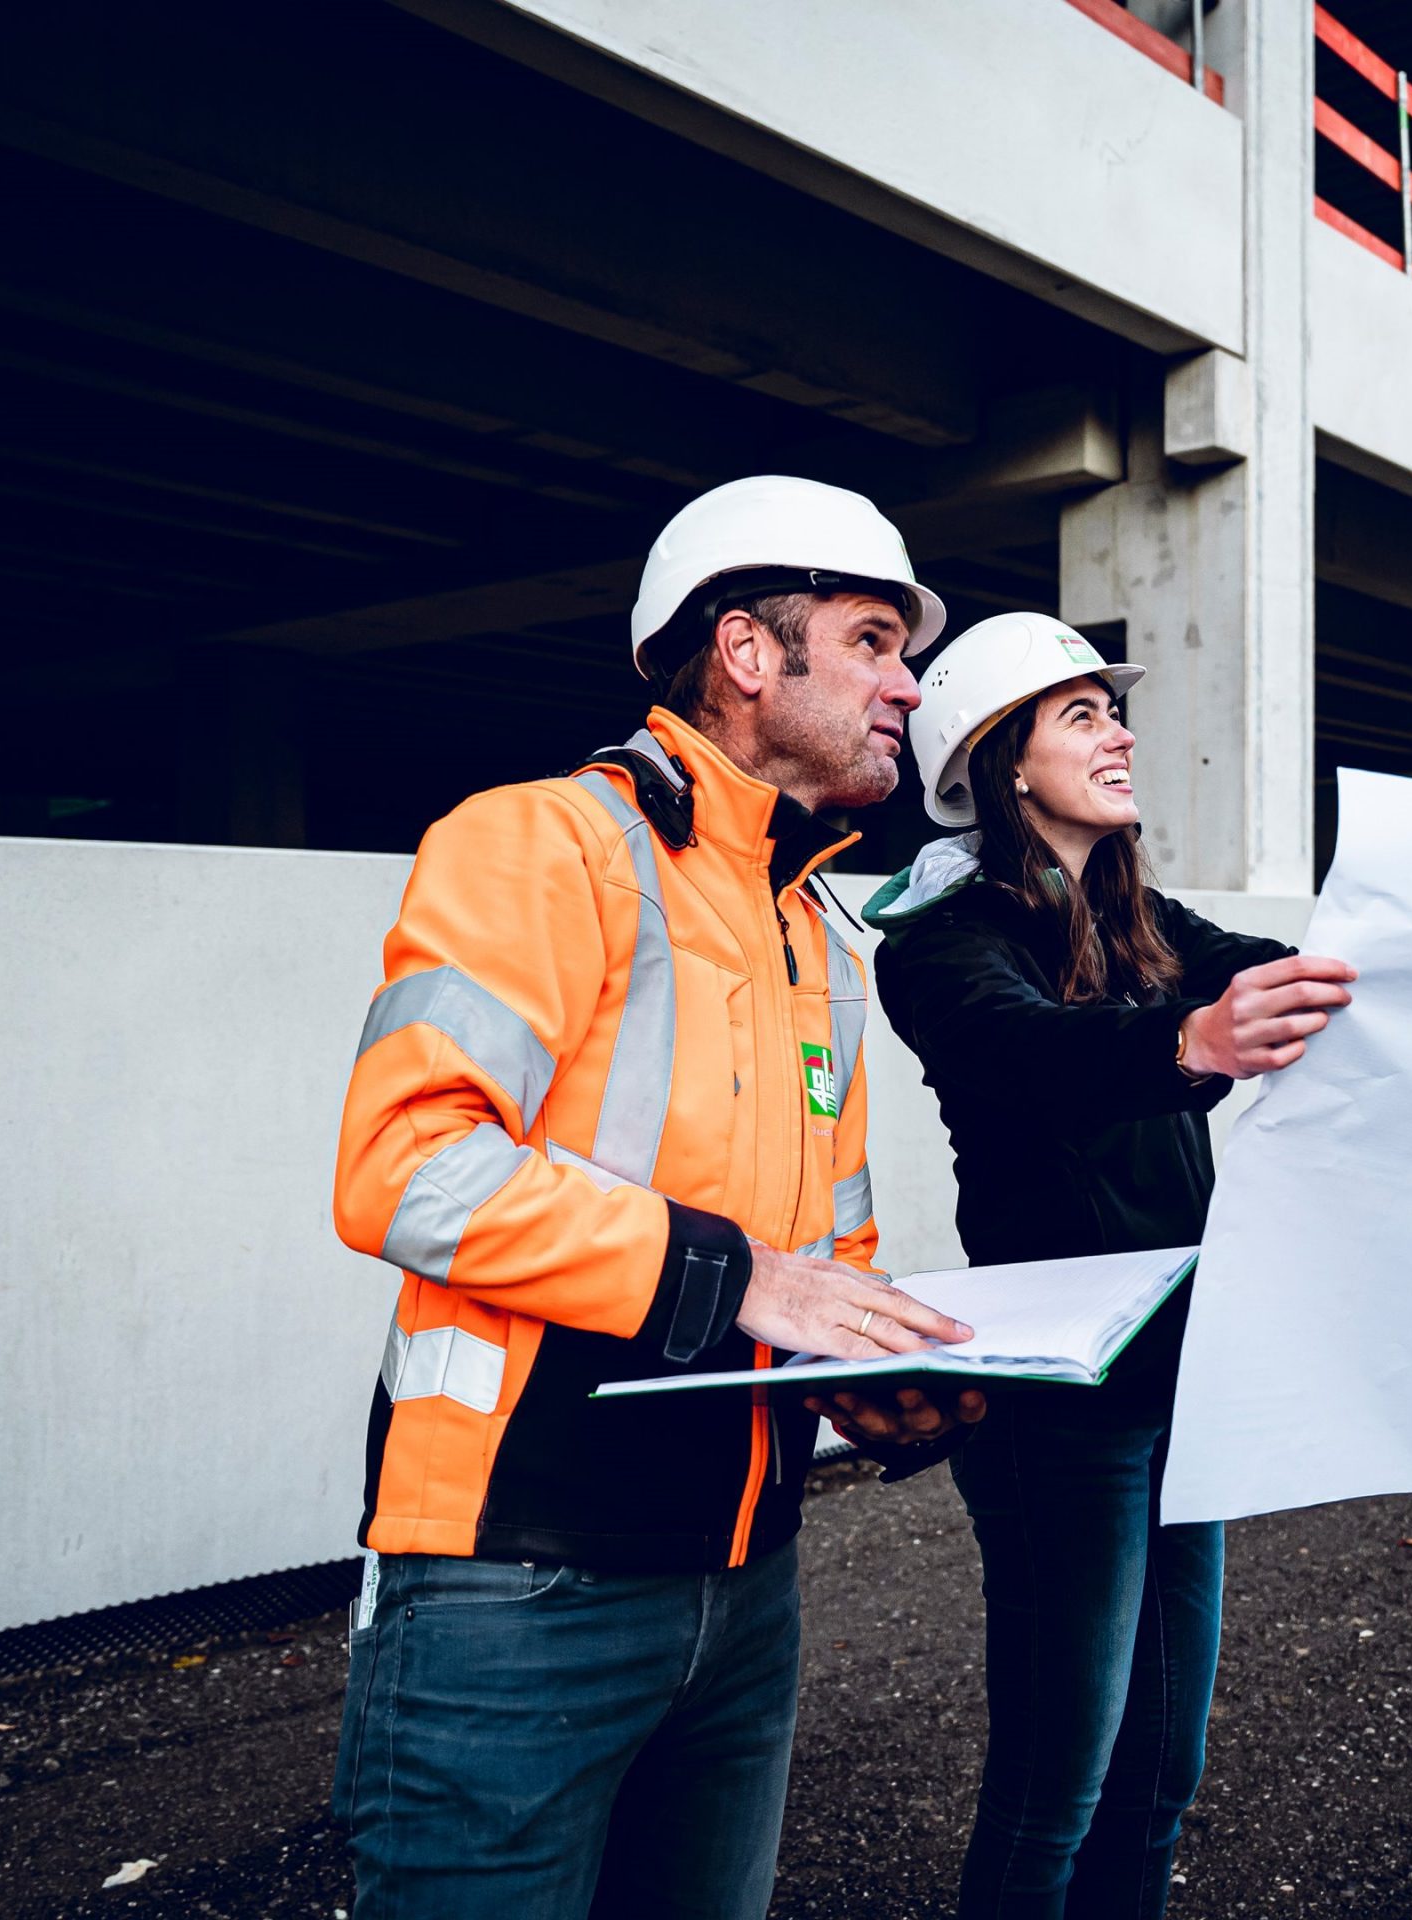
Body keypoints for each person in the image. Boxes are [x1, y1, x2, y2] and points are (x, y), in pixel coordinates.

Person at [328, 474, 986, 1919]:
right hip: (516, 1580)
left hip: (746, 1584)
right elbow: (409, 1164)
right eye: (875, 641)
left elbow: (828, 1251)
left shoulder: (821, 929)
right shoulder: (540, 844)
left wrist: (866, 1374)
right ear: (751, 653)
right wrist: (744, 1280)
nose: (907, 683)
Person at [855, 612, 1357, 1919]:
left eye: (1111, 708)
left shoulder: (1135, 909)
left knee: (1161, 1772)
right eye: (1081, 713)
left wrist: (1353, 982)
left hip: (1183, 1379)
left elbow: (1257, 975)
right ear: (1003, 759)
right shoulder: (940, 943)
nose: (1120, 730)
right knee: (1056, 1786)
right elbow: (1042, 1059)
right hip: (1058, 1409)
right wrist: (1195, 1042)